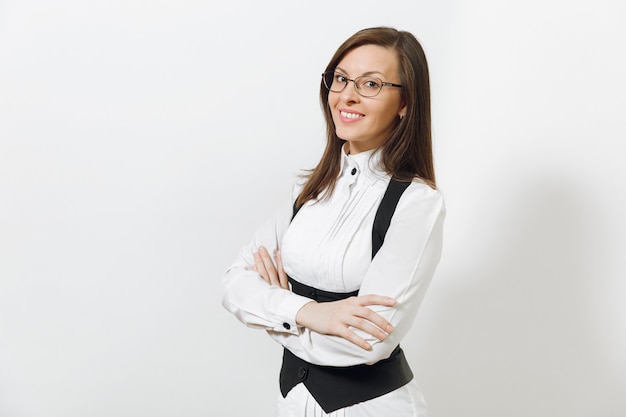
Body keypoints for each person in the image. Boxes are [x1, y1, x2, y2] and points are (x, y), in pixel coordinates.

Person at [222, 26, 445, 417]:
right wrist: (311, 314)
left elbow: (368, 342)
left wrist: (273, 313)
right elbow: (233, 284)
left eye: (371, 84)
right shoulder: (307, 189)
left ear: (405, 102)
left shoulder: (416, 203)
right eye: (341, 78)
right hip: (292, 403)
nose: (347, 95)